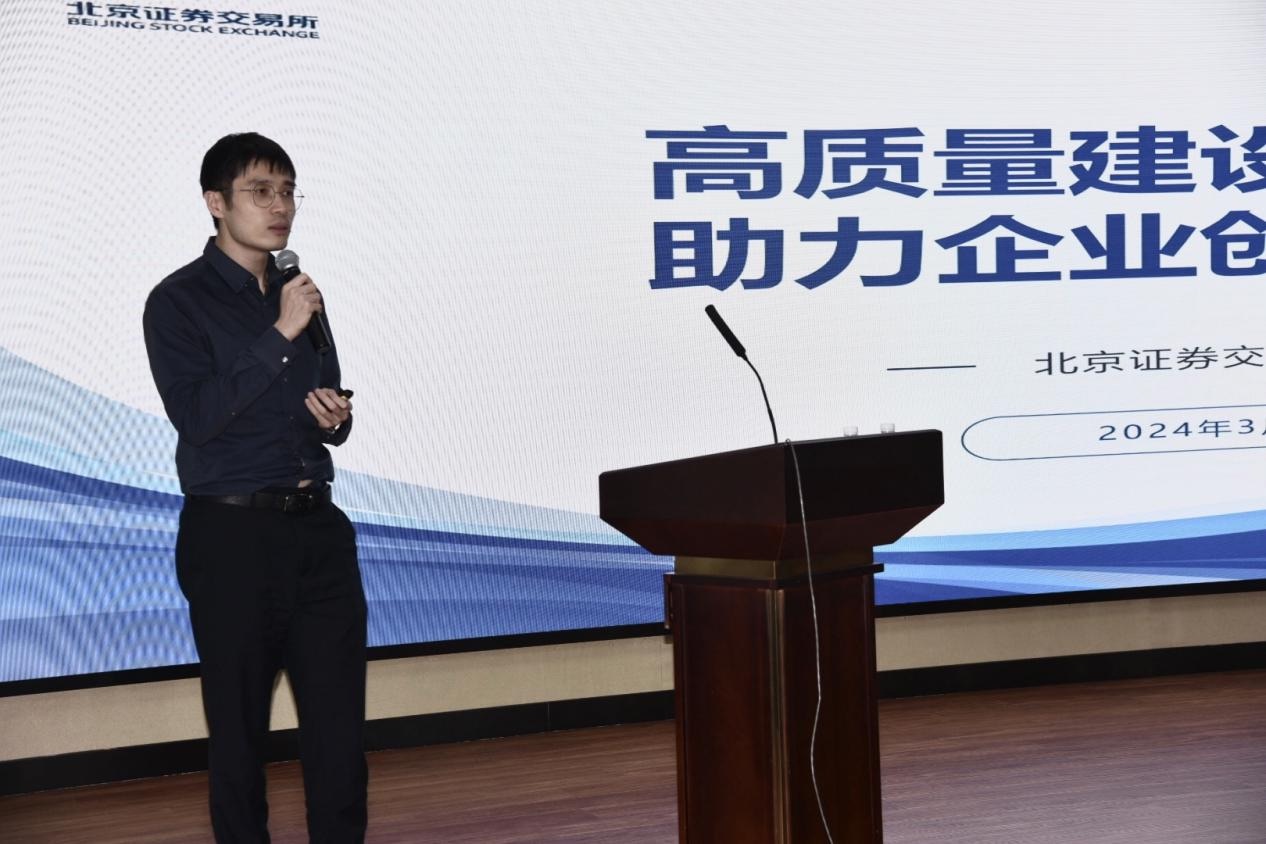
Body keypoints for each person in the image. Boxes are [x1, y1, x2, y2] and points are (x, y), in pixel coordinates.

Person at [143, 132, 367, 843]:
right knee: (239, 733)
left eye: (289, 191)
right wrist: (280, 332)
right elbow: (198, 417)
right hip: (232, 536)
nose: (280, 207)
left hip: (319, 532)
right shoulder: (178, 302)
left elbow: (319, 399)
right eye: (261, 192)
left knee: (339, 729)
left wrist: (334, 418)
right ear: (216, 202)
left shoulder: (301, 294)